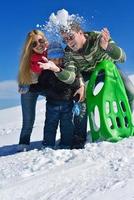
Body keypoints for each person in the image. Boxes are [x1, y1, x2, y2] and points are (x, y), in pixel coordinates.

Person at [39, 23, 134, 148]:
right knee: (81, 101)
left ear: (80, 32)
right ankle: (79, 137)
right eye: (65, 39)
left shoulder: (98, 37)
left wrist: (107, 47)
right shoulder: (69, 53)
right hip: (87, 74)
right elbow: (71, 76)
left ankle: (122, 122)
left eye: (71, 37)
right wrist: (57, 70)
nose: (68, 42)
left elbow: (123, 58)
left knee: (130, 91)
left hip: (109, 69)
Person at [38, 41, 81, 149]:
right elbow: (41, 85)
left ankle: (66, 144)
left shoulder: (66, 70)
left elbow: (74, 82)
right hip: (52, 104)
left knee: (67, 125)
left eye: (59, 58)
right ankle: (48, 144)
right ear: (49, 59)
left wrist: (76, 97)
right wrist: (30, 87)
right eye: (54, 59)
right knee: (50, 125)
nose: (57, 61)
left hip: (67, 103)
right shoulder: (46, 72)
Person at [17, 29, 48, 151]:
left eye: (40, 41)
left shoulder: (52, 52)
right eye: (34, 44)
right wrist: (23, 85)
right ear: (30, 47)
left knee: (59, 105)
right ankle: (23, 144)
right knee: (28, 119)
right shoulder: (28, 59)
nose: (39, 45)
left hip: (44, 86)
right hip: (29, 87)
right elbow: (23, 75)